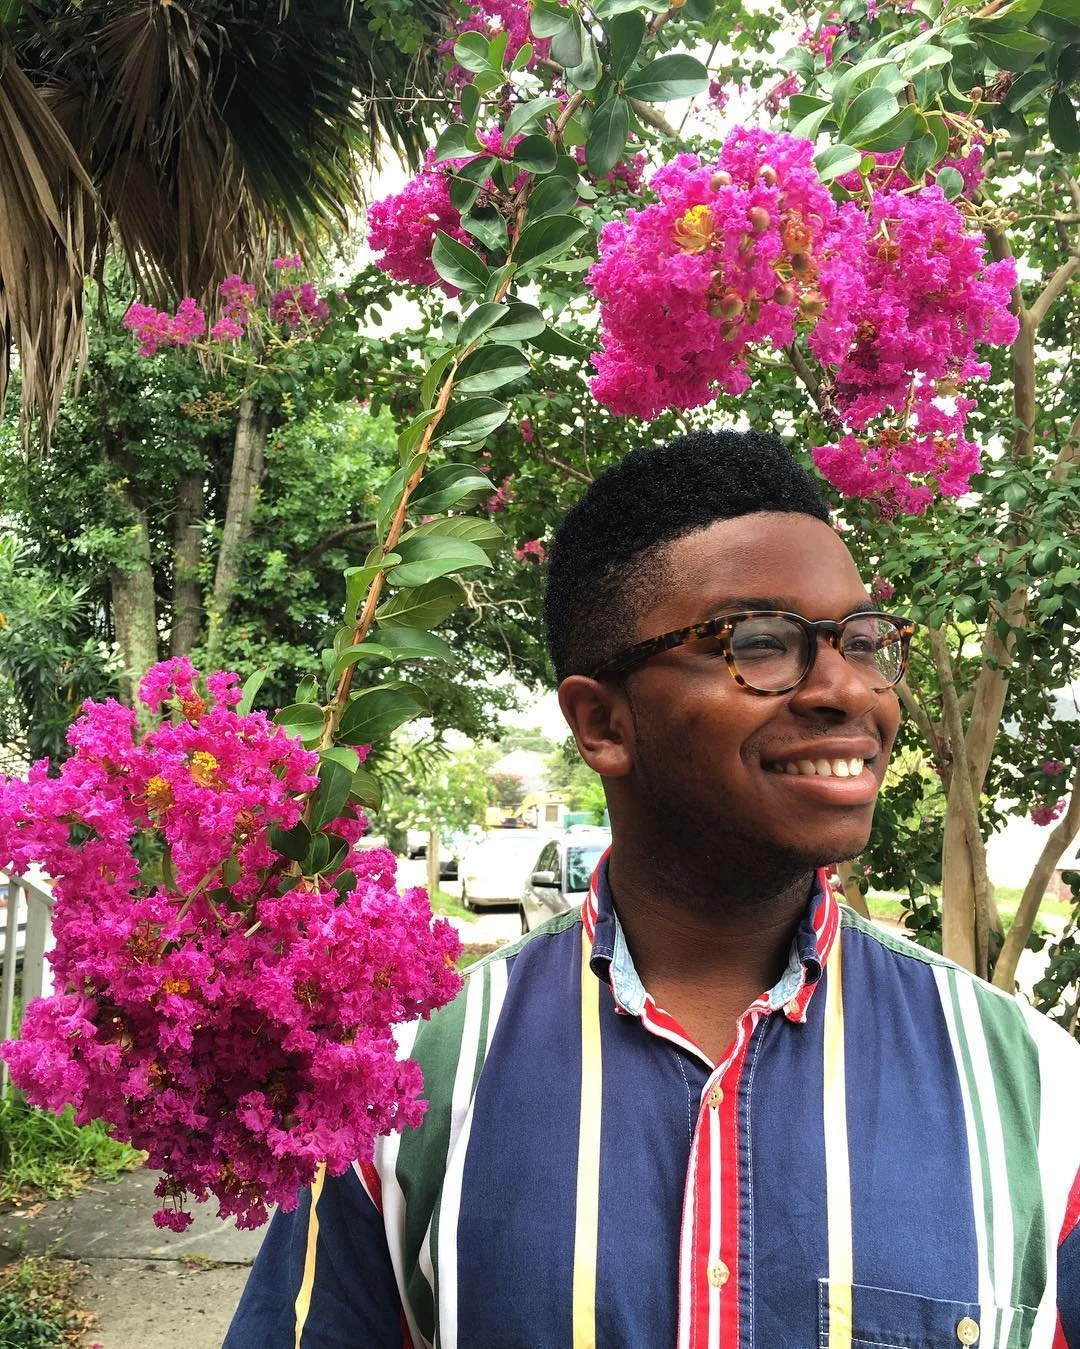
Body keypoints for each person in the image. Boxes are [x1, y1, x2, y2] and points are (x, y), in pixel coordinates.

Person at [225, 429, 1080, 1348]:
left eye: (863, 641)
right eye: (761, 642)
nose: (848, 690)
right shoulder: (409, 1081)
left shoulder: (1035, 1088)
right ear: (603, 722)